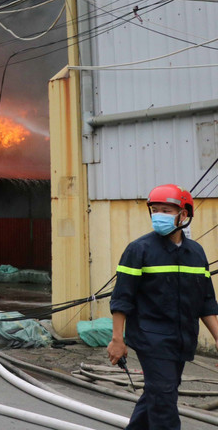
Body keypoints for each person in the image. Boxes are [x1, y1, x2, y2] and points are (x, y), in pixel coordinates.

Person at [107, 184, 218, 429]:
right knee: (164, 399)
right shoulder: (139, 249)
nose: (159, 215)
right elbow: (122, 298)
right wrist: (117, 339)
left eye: (166, 211)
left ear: (184, 214)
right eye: (155, 210)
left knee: (158, 394)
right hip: (151, 338)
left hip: (182, 339)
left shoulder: (196, 253)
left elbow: (206, 301)